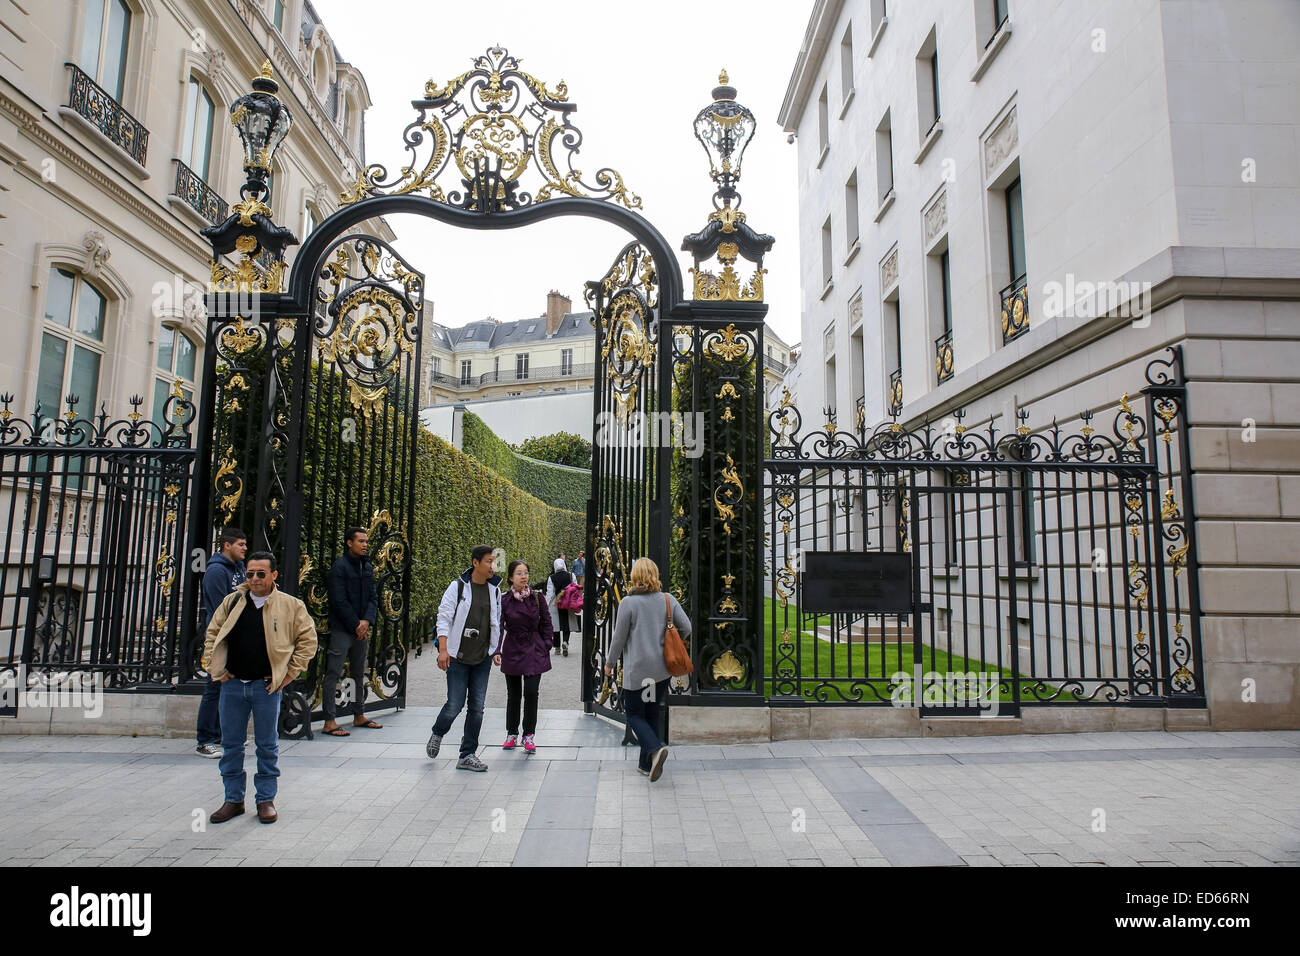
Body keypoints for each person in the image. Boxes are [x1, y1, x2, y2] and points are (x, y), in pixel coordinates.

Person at [203, 551, 318, 824]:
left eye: (260, 574)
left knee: (267, 745)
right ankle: (233, 799)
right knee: (231, 745)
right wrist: (215, 668)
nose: (254, 579)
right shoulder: (233, 602)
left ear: (273, 575)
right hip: (232, 686)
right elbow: (213, 633)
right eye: (250, 573)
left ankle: (265, 799)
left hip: (266, 687)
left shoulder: (290, 606)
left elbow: (307, 640)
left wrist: (289, 674)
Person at [604, 557, 691, 782]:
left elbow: (618, 638)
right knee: (652, 712)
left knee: (633, 714)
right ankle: (646, 764)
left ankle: (654, 748)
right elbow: (687, 627)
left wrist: (609, 663)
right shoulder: (667, 600)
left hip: (638, 672)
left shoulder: (628, 603)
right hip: (660, 670)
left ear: (635, 577)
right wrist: (673, 641)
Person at [426, 545, 503, 772]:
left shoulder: (495, 590)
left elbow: (496, 622)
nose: (493, 566)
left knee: (477, 708)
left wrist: (495, 650)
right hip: (458, 656)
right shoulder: (458, 587)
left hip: (482, 657)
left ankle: (467, 754)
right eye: (489, 561)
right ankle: (438, 732)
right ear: (475, 562)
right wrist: (442, 649)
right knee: (454, 704)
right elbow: (444, 616)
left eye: (494, 562)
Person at [321, 526, 382, 736]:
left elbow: (374, 596)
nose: (365, 545)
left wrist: (366, 621)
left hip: (360, 629)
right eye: (361, 541)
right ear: (349, 543)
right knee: (334, 673)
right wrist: (357, 624)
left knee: (358, 673)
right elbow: (338, 600)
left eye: (366, 541)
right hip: (343, 628)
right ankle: (329, 720)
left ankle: (359, 715)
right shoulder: (340, 567)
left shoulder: (367, 566)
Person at [196, 527, 247, 758]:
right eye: (240, 544)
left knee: (229, 687)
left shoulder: (239, 568)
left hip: (236, 634)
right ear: (227, 545)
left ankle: (220, 734)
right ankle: (205, 740)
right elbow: (220, 608)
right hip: (220, 636)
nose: (245, 548)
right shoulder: (216, 571)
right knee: (214, 686)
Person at [496, 559, 553, 753]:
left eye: (526, 572)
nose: (523, 576)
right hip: (513, 648)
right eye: (519, 573)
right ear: (511, 577)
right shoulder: (504, 600)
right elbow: (498, 627)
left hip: (534, 649)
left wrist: (547, 643)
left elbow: (547, 622)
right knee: (513, 695)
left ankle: (528, 735)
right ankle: (512, 733)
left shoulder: (537, 597)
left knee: (531, 692)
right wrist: (497, 650)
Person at [545, 557, 575, 656]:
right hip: (568, 602)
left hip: (556, 602)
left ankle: (557, 647)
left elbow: (550, 593)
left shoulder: (552, 577)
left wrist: (546, 605)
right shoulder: (571, 575)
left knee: (556, 625)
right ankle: (565, 642)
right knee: (567, 624)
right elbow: (575, 588)